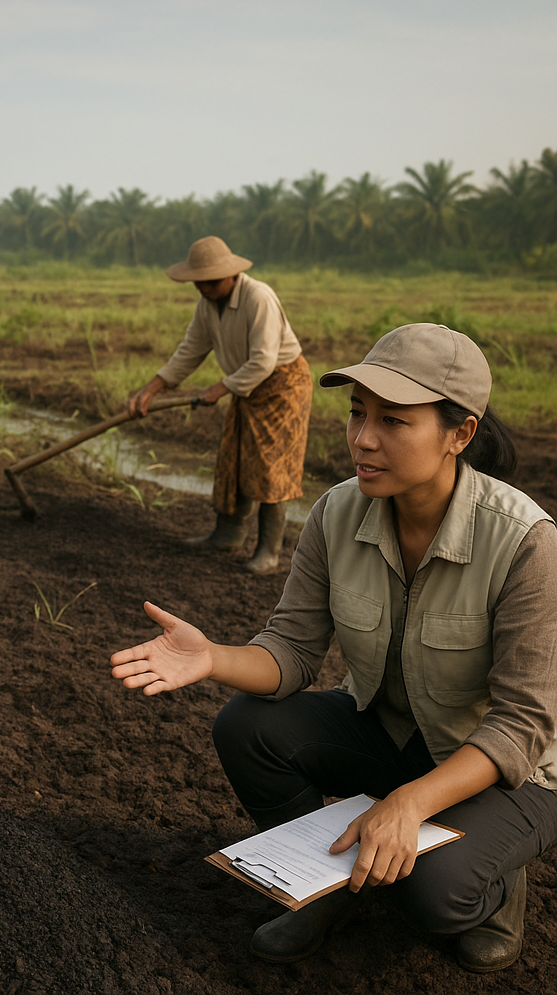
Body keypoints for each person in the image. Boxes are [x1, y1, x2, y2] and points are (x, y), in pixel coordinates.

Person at [111, 323, 557, 973]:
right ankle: (320, 888)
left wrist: (408, 803)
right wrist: (213, 657)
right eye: (357, 413)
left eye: (393, 421)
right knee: (247, 725)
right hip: (393, 734)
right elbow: (291, 649)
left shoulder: (525, 544)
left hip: (503, 769)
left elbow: (521, 726)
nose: (362, 438)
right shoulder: (336, 514)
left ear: (459, 435)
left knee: (432, 895)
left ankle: (497, 888)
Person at [128, 236, 312, 574]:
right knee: (236, 457)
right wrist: (152, 388)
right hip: (246, 386)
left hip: (282, 385)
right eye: (200, 282)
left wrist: (220, 388)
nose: (205, 288)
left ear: (231, 275)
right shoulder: (206, 305)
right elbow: (190, 350)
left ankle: (269, 552)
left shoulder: (259, 298)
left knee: (270, 464)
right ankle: (227, 535)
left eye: (211, 281)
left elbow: (264, 361)